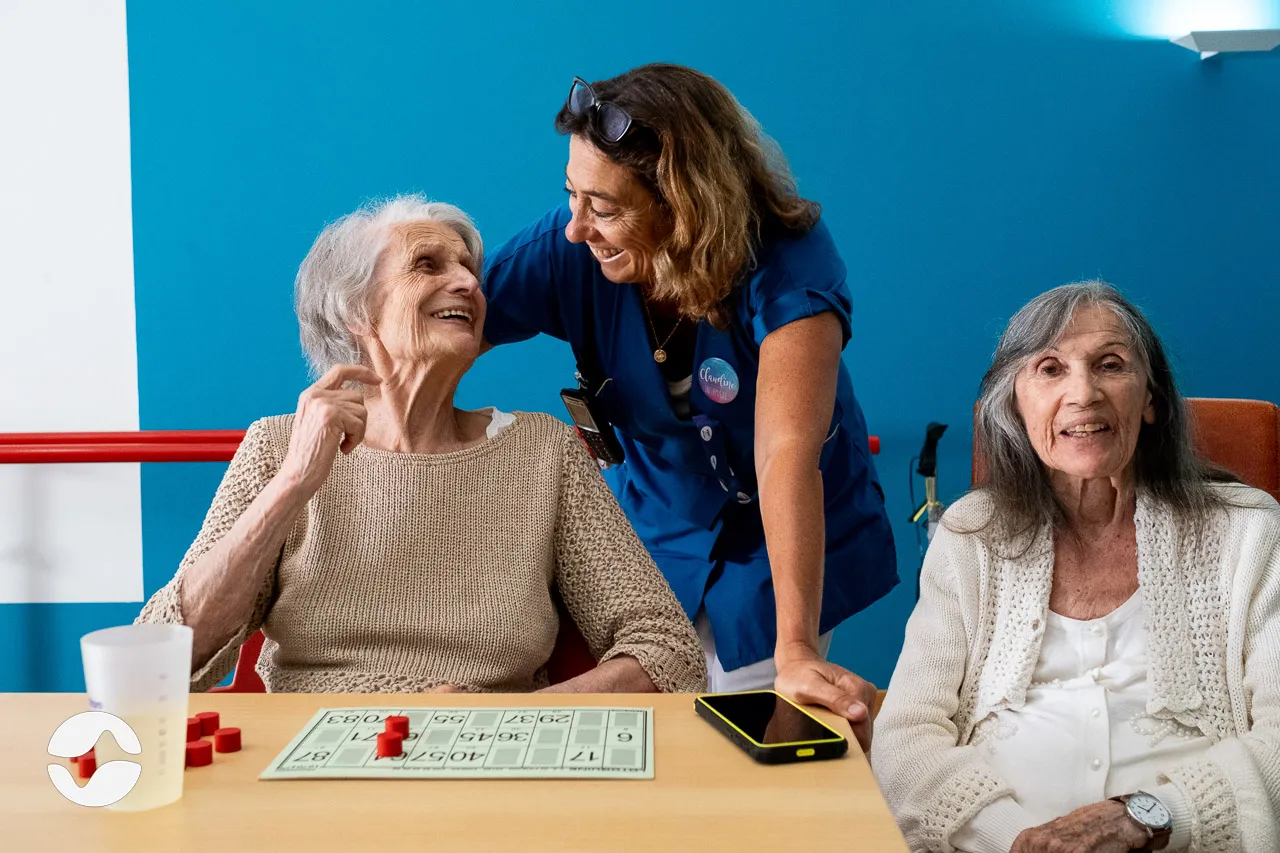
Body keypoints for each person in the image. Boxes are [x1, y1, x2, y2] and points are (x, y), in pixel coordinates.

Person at [136, 195, 706, 696]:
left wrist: (503, 720)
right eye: (427, 266)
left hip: (492, 764)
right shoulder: (278, 446)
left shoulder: (543, 452)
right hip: (316, 756)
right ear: (358, 311)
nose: (468, 284)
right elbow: (157, 660)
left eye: (468, 268)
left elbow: (667, 649)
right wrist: (292, 483)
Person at [481, 63, 897, 748]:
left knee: (743, 730)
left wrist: (797, 650)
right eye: (570, 195)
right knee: (638, 732)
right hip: (660, 525)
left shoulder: (790, 262)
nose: (575, 229)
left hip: (780, 541)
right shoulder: (569, 248)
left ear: (682, 205)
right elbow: (440, 330)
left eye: (605, 208)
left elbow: (786, 451)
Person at [871, 281, 1279, 852]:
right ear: (1015, 402)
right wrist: (1018, 841)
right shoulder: (972, 534)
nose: (1082, 393)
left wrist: (1147, 817)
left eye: (1110, 365)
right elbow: (908, 737)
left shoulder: (1249, 531)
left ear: (1152, 398)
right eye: (1050, 369)